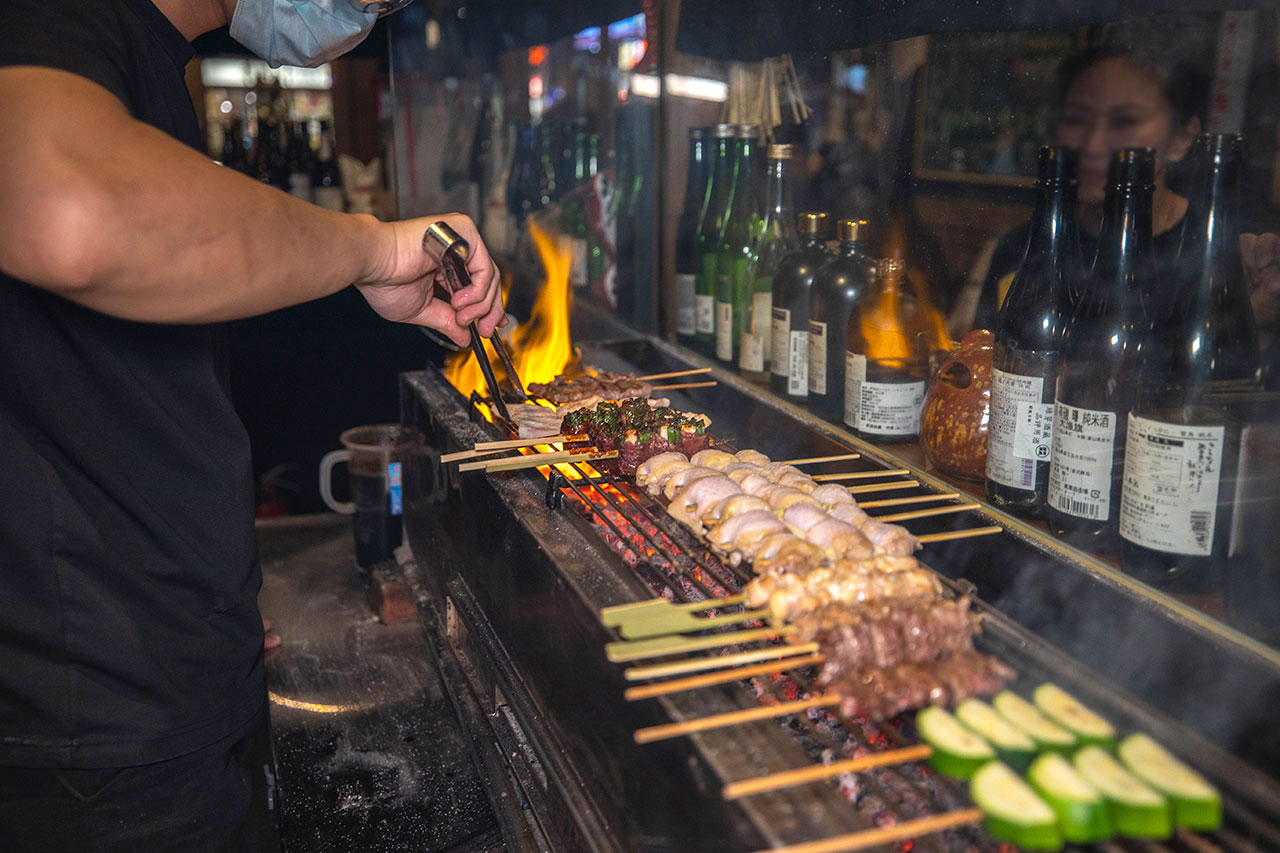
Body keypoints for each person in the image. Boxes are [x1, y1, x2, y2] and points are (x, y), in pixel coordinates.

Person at [0, 0, 502, 848]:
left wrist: (204, 591)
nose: (366, 14)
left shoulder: (152, 56)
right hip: (94, 744)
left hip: (155, 678)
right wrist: (373, 250)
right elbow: (71, 211)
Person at [950, 42, 1278, 336]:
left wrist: (1245, 319)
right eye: (1076, 119)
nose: (1093, 144)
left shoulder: (1216, 256)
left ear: (1181, 138)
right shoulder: (1024, 247)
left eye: (1125, 121)